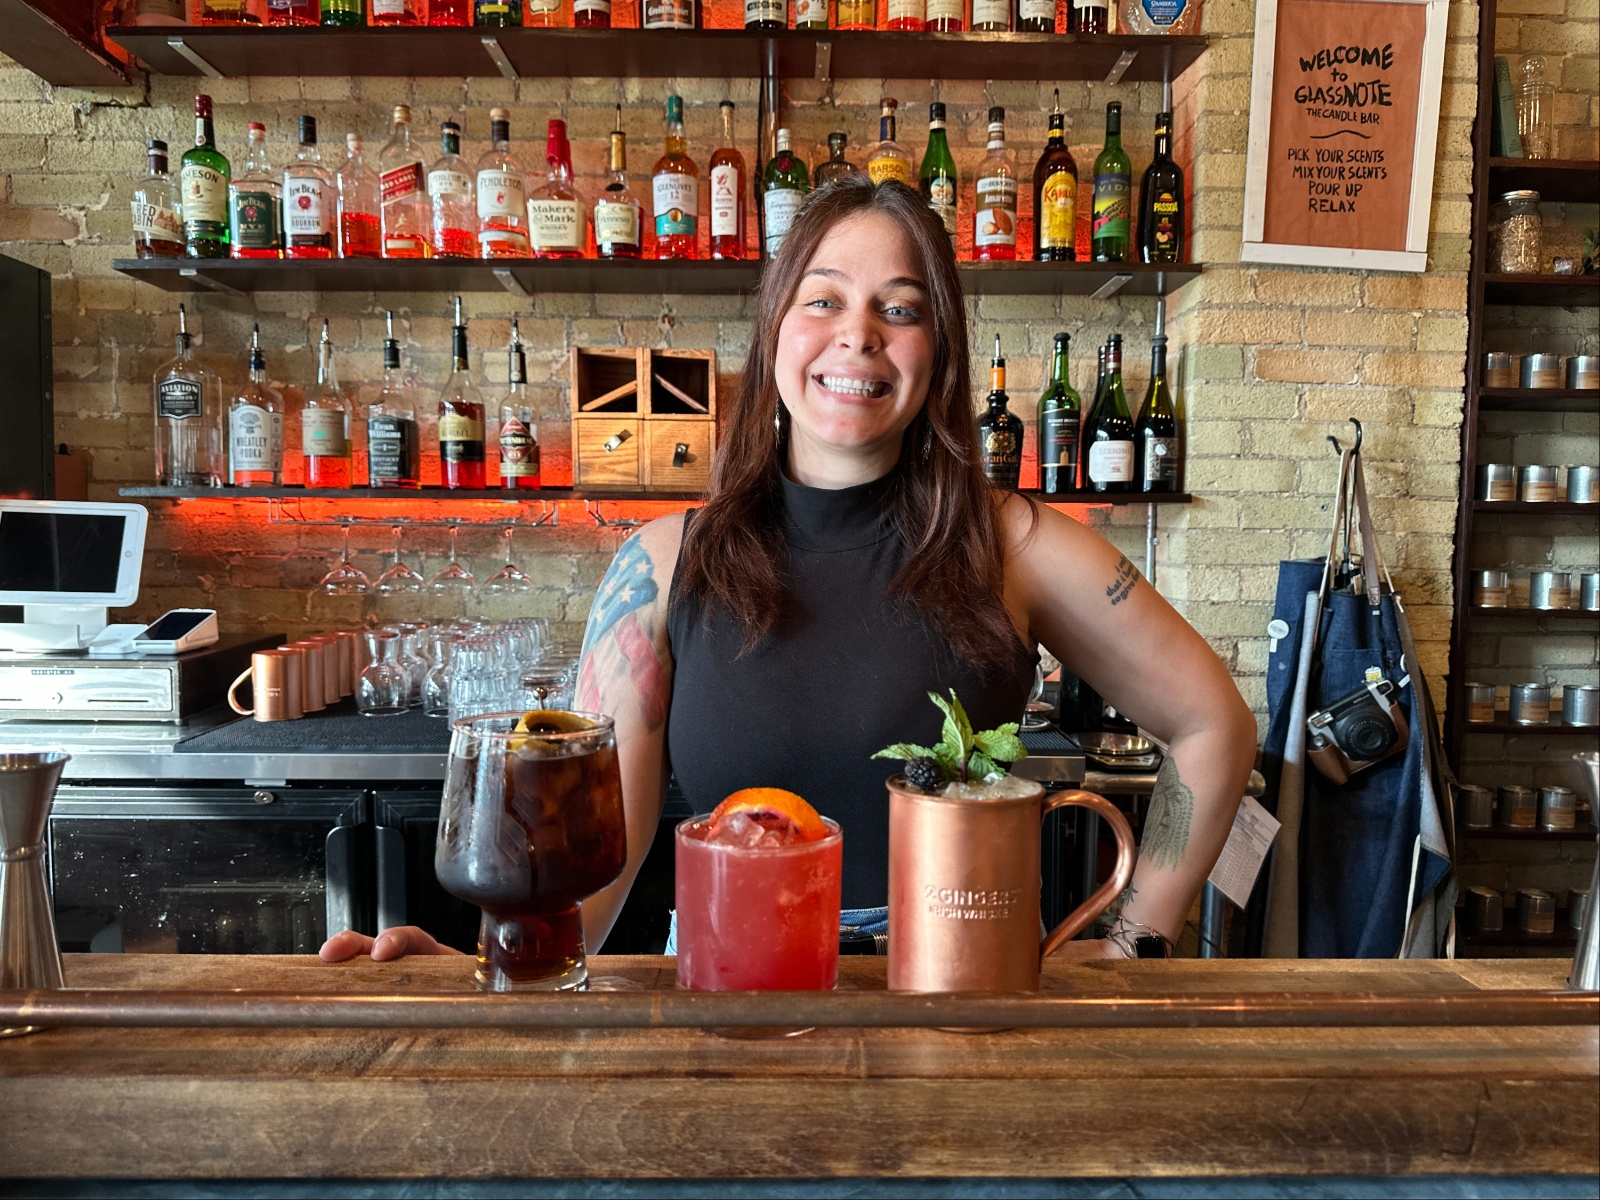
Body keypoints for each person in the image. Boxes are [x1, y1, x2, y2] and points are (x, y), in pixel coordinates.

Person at [321, 177, 1257, 966]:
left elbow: (1211, 723)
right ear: (777, 328)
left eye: (901, 307)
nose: (860, 334)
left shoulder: (1012, 542)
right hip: (733, 984)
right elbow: (602, 850)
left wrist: (1135, 941)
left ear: (939, 354)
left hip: (960, 996)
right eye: (824, 298)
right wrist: (507, 964)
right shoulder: (662, 564)